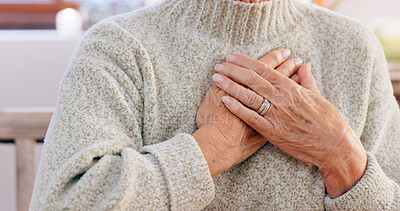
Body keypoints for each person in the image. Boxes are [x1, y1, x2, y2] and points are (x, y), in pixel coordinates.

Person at [30, 0, 400, 210]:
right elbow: (63, 204)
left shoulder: (355, 47)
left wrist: (341, 155)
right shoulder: (118, 46)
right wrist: (209, 149)